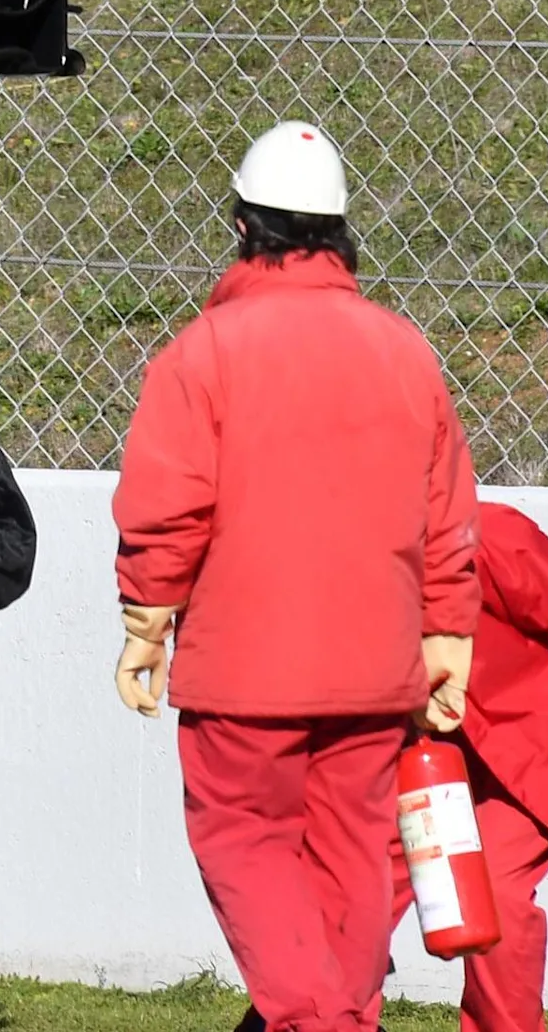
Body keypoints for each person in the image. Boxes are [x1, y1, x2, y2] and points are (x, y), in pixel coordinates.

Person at [112, 120, 478, 1032]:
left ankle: (316, 1022)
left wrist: (146, 623)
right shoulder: (405, 352)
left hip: (244, 671)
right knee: (350, 856)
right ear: (342, 235)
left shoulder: (206, 352)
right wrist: (447, 633)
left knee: (246, 843)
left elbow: (167, 508)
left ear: (243, 229)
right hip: (374, 666)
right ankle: (344, 1016)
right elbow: (447, 514)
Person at [401, 500, 548, 1032]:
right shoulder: (319, 567)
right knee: (339, 883)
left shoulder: (484, 535)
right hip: (419, 763)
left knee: (495, 896)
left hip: (542, 747)